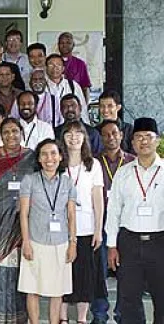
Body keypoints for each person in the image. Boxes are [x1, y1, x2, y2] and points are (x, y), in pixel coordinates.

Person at [0, 118, 36, 324]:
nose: (11, 136)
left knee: (20, 270)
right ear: (0, 135)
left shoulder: (32, 157)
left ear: (22, 133)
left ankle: (18, 317)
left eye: (15, 131)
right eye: (6, 132)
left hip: (23, 226)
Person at [107, 117, 164, 323]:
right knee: (129, 300)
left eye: (148, 137)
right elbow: (113, 211)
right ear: (132, 143)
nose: (143, 141)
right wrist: (112, 245)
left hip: (160, 242)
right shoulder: (123, 173)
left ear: (157, 140)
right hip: (129, 243)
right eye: (138, 137)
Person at [17, 138, 77, 324]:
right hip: (35, 241)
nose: (49, 158)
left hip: (60, 242)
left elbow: (71, 215)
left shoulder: (67, 182)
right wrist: (26, 242)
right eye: (44, 154)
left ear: (60, 157)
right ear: (39, 159)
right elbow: (24, 214)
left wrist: (72, 242)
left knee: (57, 290)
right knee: (32, 288)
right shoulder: (30, 180)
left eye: (53, 153)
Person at [59, 121, 105, 324]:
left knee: (85, 275)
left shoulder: (93, 164)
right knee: (62, 274)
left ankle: (81, 318)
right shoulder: (57, 163)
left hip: (86, 227)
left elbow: (98, 199)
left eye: (78, 133)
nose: (73, 137)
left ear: (85, 137)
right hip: (60, 228)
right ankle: (62, 318)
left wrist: (98, 230)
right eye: (69, 134)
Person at [90, 120, 135, 324]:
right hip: (100, 222)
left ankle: (121, 314)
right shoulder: (92, 163)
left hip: (125, 224)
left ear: (121, 135)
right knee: (98, 271)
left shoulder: (132, 162)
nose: (111, 137)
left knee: (125, 272)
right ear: (100, 138)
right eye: (106, 134)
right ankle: (99, 314)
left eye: (114, 133)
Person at [45, 54, 89, 124]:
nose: (55, 68)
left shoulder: (73, 86)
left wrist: (86, 126)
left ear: (63, 68)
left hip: (70, 128)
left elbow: (82, 109)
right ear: (46, 68)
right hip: (48, 129)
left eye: (58, 65)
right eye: (51, 65)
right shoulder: (43, 87)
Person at [58, 32, 92, 104]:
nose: (65, 45)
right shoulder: (53, 62)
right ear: (58, 45)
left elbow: (85, 88)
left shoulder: (80, 64)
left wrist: (84, 107)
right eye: (62, 43)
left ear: (73, 45)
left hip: (75, 104)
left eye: (68, 43)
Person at [97, 90, 134, 154]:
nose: (105, 110)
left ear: (118, 107)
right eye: (102, 106)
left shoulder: (129, 129)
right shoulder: (96, 131)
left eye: (110, 106)